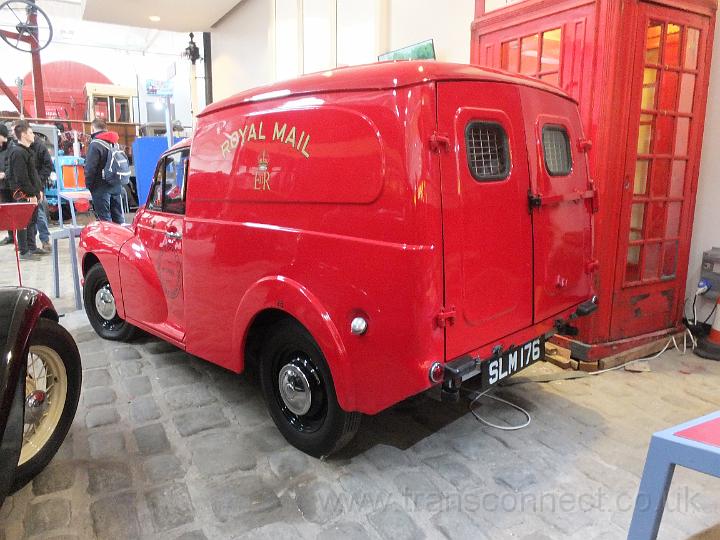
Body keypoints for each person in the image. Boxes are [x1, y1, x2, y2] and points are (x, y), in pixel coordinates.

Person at [7, 121, 48, 260]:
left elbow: (33, 174)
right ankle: (24, 252)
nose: (33, 135)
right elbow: (22, 178)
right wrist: (30, 195)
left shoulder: (28, 150)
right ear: (24, 135)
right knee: (23, 222)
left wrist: (38, 191)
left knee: (32, 220)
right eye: (30, 132)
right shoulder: (18, 152)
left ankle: (32, 247)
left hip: (32, 193)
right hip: (23, 194)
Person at [85, 118, 125, 224]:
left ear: (92, 128)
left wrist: (89, 186)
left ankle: (109, 240)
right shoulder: (114, 143)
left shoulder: (95, 144)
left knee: (105, 221)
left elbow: (90, 169)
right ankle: (121, 239)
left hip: (101, 188)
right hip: (116, 186)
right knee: (118, 219)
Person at [31, 135, 53, 250]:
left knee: (38, 212)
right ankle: (29, 243)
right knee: (29, 215)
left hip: (37, 185)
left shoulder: (39, 146)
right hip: (23, 186)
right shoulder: (16, 146)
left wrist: (39, 181)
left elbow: (48, 165)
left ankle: (45, 240)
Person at [0, 124, 14, 245]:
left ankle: (21, 240)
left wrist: (5, 174)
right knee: (6, 211)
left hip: (12, 184)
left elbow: (12, 164)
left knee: (16, 210)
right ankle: (11, 236)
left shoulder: (11, 146)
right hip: (2, 186)